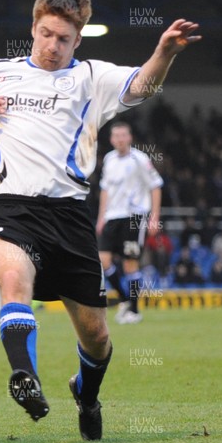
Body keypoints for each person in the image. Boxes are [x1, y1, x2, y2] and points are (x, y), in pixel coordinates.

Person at [0, 0, 200, 440]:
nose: (52, 45)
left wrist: (163, 52)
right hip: (10, 208)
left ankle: (86, 395)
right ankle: (24, 376)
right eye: (45, 34)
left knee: (97, 336)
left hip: (70, 217)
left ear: (78, 41)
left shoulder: (93, 79)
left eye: (63, 38)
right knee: (14, 278)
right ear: (33, 28)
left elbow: (143, 84)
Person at [96, 122, 163, 324]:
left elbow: (156, 186)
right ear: (111, 139)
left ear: (130, 137)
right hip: (112, 217)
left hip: (134, 216)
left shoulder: (140, 159)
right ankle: (125, 299)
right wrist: (101, 217)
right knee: (103, 260)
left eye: (123, 135)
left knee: (130, 263)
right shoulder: (109, 159)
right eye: (116, 136)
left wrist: (154, 217)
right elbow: (105, 190)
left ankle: (134, 310)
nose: (120, 139)